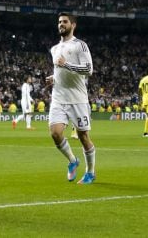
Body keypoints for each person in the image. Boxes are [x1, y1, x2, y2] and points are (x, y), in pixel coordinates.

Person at [45, 12, 96, 185]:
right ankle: (73, 160)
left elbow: (89, 70)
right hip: (59, 98)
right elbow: (60, 69)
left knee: (83, 137)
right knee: (55, 133)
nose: (61, 24)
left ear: (73, 25)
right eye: (59, 22)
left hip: (78, 99)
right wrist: (54, 77)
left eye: (65, 22)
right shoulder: (54, 49)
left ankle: (90, 172)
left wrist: (66, 64)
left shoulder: (80, 45)